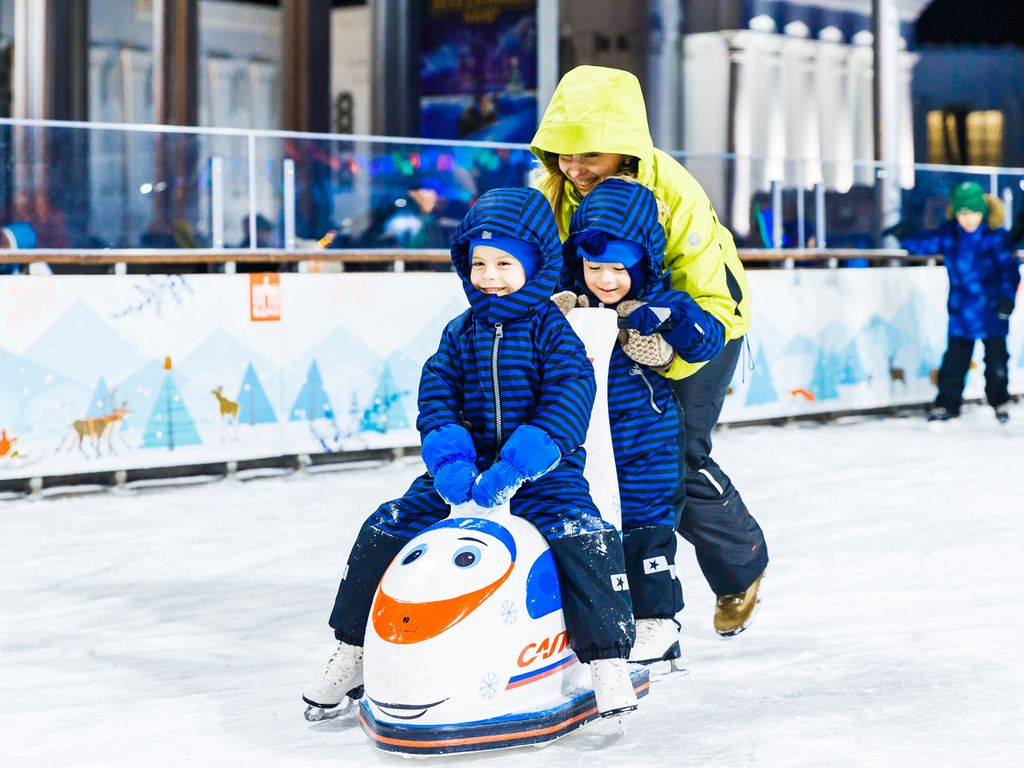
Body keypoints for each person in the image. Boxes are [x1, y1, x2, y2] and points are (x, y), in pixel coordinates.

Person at [303, 186, 638, 719]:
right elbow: (436, 397)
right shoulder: (459, 334)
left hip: (545, 475)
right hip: (463, 476)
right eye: (478, 262)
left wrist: (523, 462)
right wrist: (451, 461)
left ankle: (607, 660)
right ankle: (354, 650)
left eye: (505, 263)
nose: (490, 276)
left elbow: (570, 399)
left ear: (538, 263)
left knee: (584, 537)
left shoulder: (555, 333)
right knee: (386, 525)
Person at [530, 65, 768, 637]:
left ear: (625, 147)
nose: (575, 168)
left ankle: (741, 565)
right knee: (590, 457)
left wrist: (666, 352)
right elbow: (536, 268)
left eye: (589, 155)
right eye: (563, 154)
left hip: (700, 328)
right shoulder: (556, 191)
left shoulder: (673, 193)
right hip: (608, 331)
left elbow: (712, 295)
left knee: (673, 455)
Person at [555, 177, 726, 665]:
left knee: (646, 530)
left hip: (646, 446)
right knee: (589, 530)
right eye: (594, 267)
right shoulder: (574, 304)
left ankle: (657, 622)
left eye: (618, 268)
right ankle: (594, 621)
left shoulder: (665, 301)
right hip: (588, 442)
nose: (605, 280)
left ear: (643, 262)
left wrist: (667, 319)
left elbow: (707, 339)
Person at [899, 181, 1020, 424]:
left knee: (996, 361)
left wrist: (1007, 299)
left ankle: (999, 401)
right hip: (962, 311)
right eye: (963, 213)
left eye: (973, 213)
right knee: (955, 362)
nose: (968, 219)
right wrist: (905, 234)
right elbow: (925, 243)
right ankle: (947, 405)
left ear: (982, 213)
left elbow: (1009, 271)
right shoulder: (950, 234)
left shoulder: (995, 238)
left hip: (992, 310)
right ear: (956, 213)